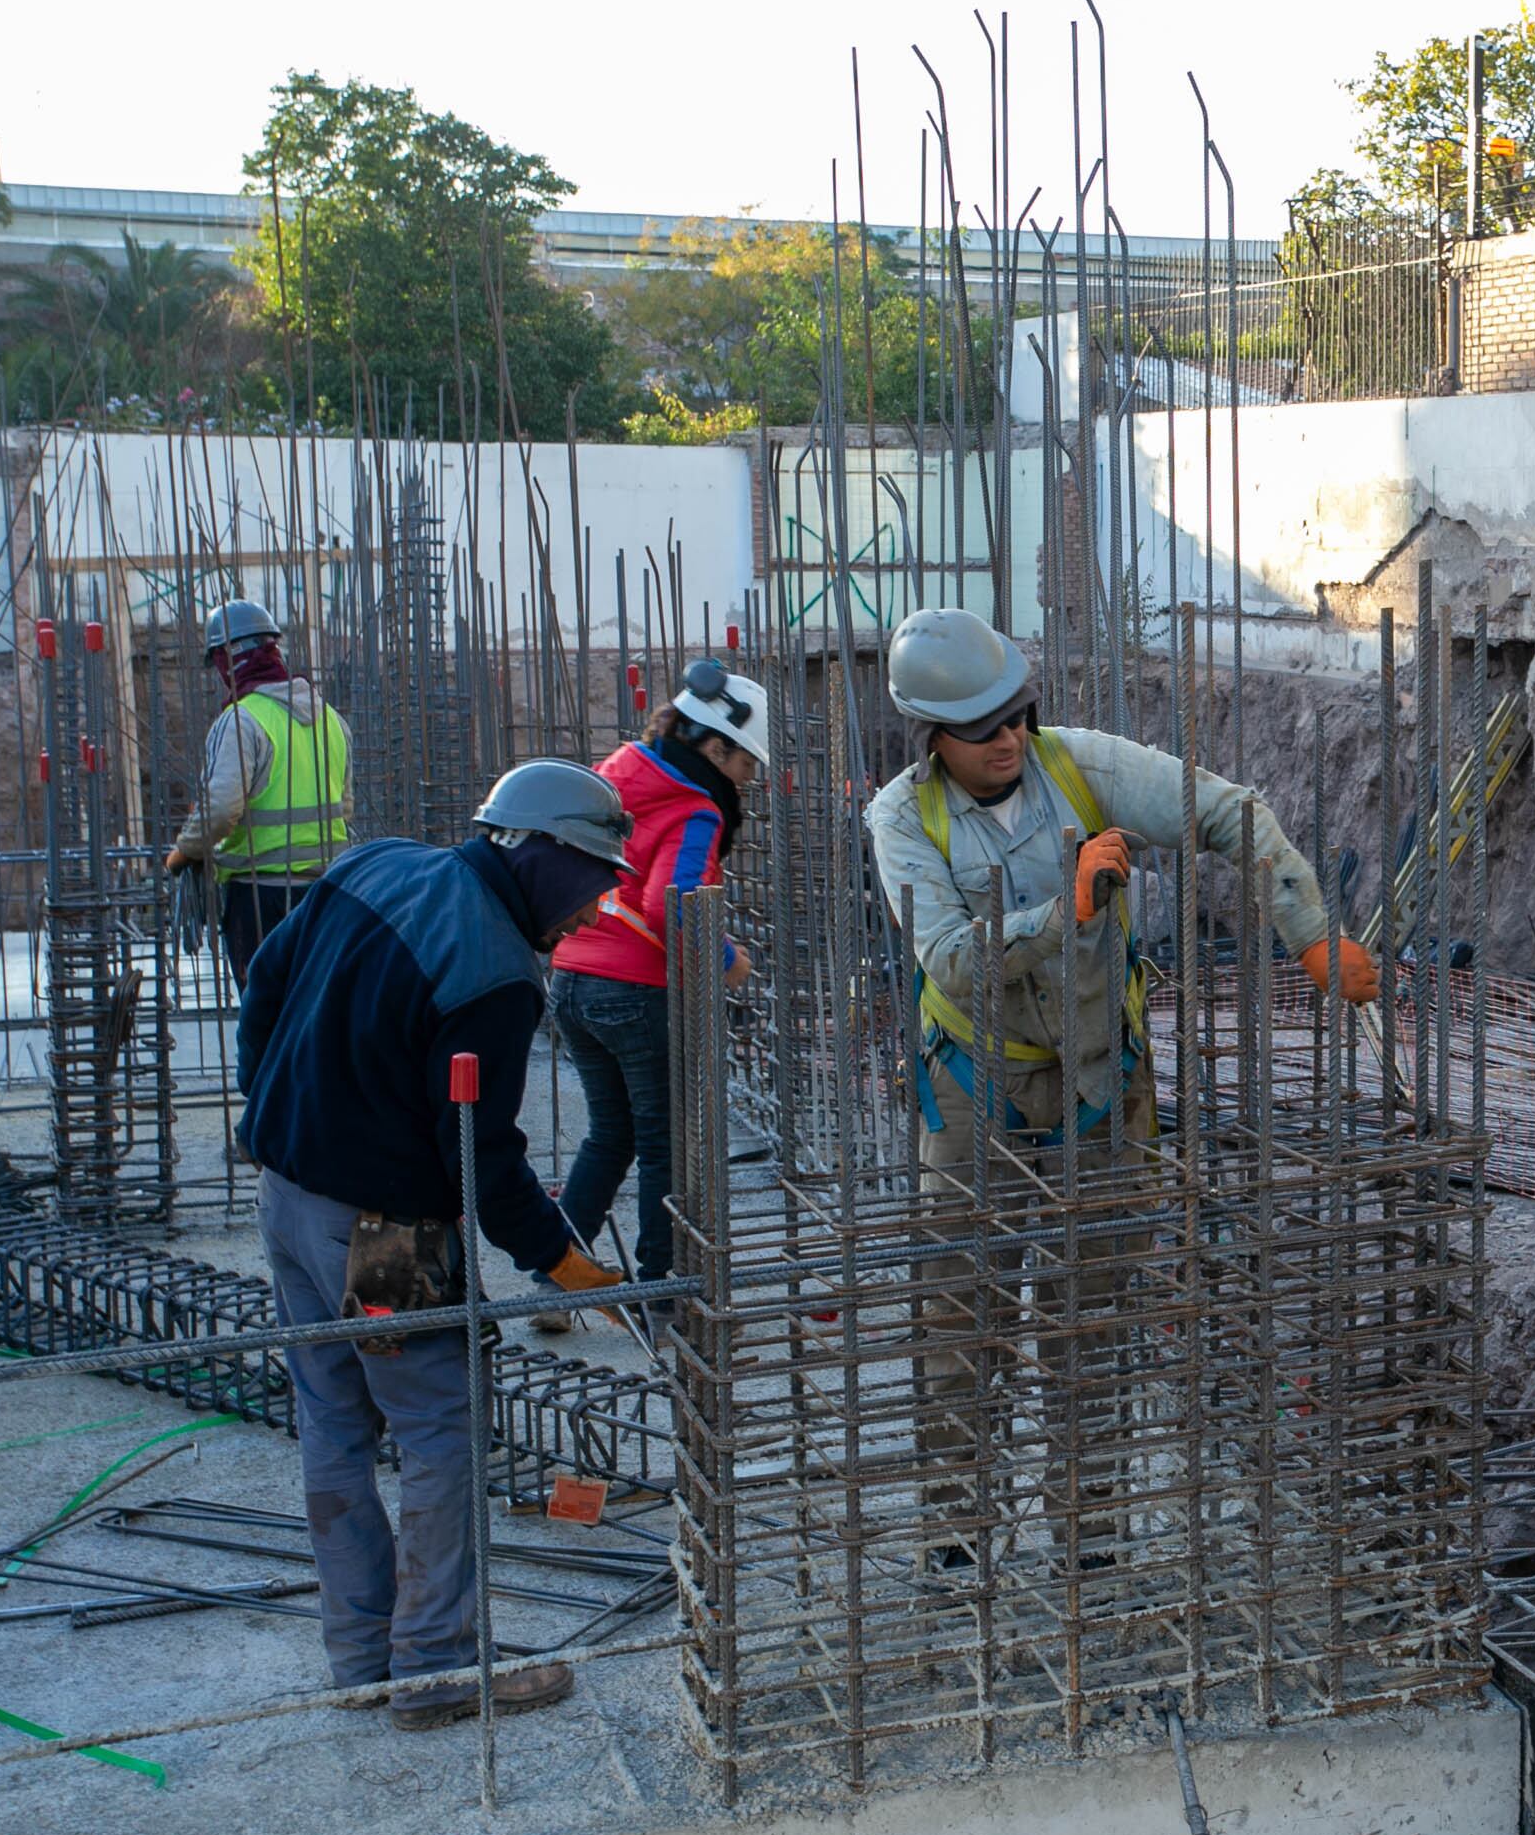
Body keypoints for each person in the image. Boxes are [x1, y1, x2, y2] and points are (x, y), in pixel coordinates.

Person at [865, 608, 1379, 1573]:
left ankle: (1087, 1531)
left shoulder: (1076, 764)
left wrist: (1308, 928)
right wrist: (1065, 911)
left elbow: (1232, 810)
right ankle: (956, 1530)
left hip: (1104, 1083)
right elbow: (944, 956)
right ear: (931, 738)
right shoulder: (901, 817)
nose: (1006, 738)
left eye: (1016, 713)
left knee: (1089, 1315)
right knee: (958, 1314)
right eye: (979, 730)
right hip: (977, 1086)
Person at [235, 761, 635, 1730]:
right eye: (595, 880)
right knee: (438, 1433)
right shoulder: (496, 974)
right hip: (383, 1235)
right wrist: (560, 1257)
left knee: (332, 1425)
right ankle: (434, 1666)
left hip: (287, 1197)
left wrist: (270, 1105)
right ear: (542, 853)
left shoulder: (374, 863)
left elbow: (263, 979)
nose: (595, 909)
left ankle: (362, 1656)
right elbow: (481, 1162)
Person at [531, 660, 768, 1331]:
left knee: (610, 1136)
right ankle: (667, 1296)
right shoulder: (694, 806)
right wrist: (727, 960)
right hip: (635, 987)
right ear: (714, 747)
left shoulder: (620, 774)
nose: (748, 777)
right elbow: (677, 905)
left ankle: (556, 1280)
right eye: (745, 761)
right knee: (667, 1141)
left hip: (574, 973)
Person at [161, 599, 353, 981]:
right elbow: (343, 807)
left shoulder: (241, 720)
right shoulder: (331, 719)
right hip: (327, 892)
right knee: (316, 1014)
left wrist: (186, 850)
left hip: (260, 898)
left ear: (227, 659)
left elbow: (221, 809)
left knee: (266, 1022)